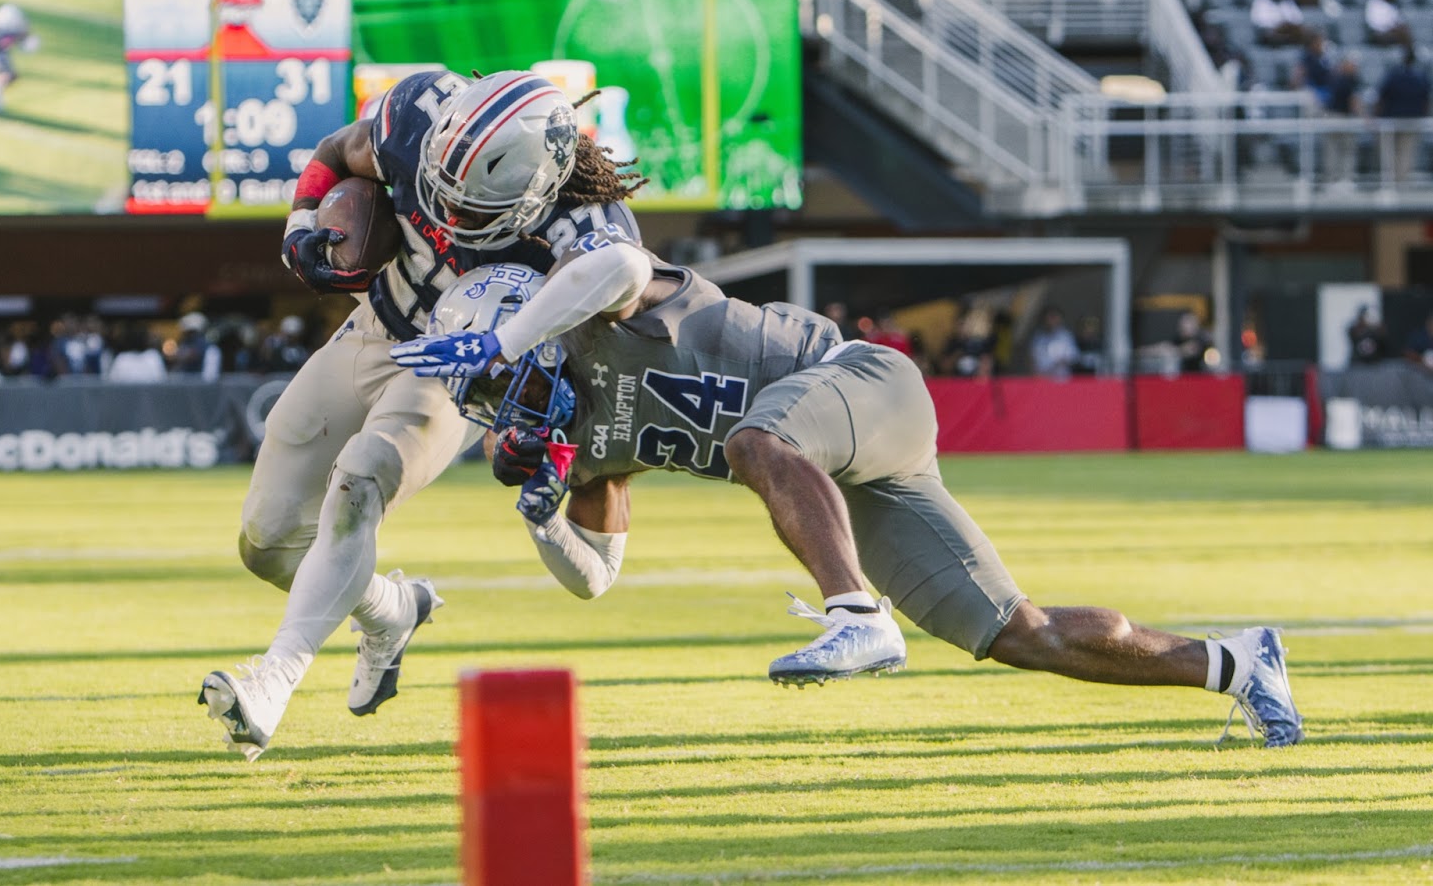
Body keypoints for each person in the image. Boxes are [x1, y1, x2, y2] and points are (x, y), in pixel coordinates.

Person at [393, 257, 1304, 749]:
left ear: (529, 323)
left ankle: (857, 612)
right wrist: (548, 515)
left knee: (756, 442)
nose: (503, 401)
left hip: (860, 382)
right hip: (850, 466)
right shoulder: (581, 446)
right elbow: (598, 581)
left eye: (503, 371)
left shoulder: (603, 308)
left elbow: (620, 259)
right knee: (1021, 633)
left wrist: (510, 334)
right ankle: (1236, 663)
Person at [198, 70, 645, 760]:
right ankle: (390, 609)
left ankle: (271, 684)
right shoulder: (418, 113)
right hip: (380, 322)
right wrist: (299, 225)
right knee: (267, 542)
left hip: (459, 365)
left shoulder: (580, 217)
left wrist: (512, 352)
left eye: (465, 207)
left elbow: (624, 274)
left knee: (359, 481)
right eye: (436, 188)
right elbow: (335, 149)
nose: (441, 213)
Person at [1374, 47, 1430, 185]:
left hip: (1392, 120)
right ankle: (1401, 182)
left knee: (1389, 152)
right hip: (1411, 120)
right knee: (1406, 152)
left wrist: (1377, 116)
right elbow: (1426, 101)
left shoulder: (1394, 75)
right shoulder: (1421, 77)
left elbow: (1381, 97)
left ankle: (1390, 181)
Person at [1321, 54, 1362, 184]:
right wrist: (1364, 118)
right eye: (1352, 65)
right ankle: (1346, 179)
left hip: (1331, 117)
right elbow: (1353, 102)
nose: (1355, 68)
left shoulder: (1335, 77)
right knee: (1346, 149)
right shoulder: (1348, 80)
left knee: (1332, 149)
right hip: (1342, 117)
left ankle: (1332, 179)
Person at [1029, 307, 1080, 379]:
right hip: (1041, 379)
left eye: (1054, 317)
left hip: (1061, 379)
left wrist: (1057, 364)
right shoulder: (1038, 337)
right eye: (1049, 317)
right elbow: (1032, 358)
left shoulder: (1066, 336)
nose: (1051, 320)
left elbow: (1073, 356)